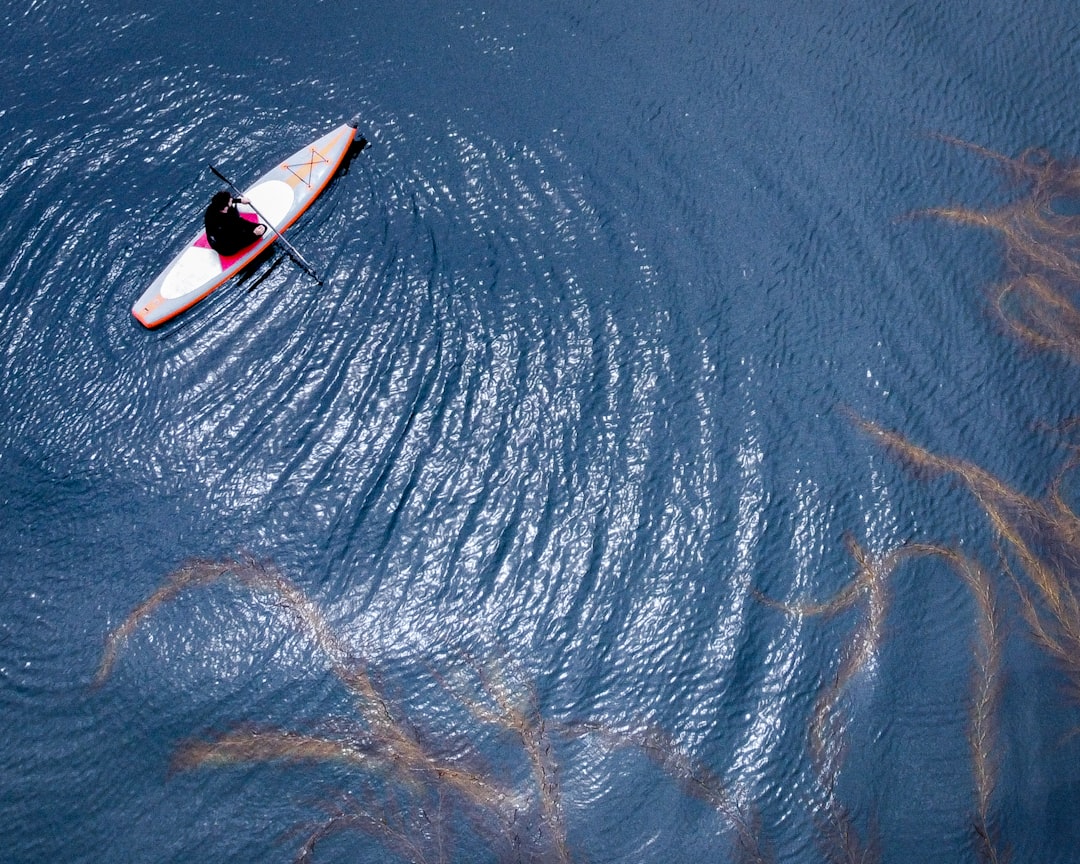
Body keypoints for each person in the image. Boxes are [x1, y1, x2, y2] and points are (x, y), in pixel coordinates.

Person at [203, 190, 267, 255]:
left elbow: (226, 202)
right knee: (261, 229)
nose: (232, 199)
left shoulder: (214, 207)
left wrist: (239, 200)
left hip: (230, 229)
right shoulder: (222, 224)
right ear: (225, 208)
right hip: (226, 246)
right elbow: (236, 240)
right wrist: (253, 234)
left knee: (260, 227)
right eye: (230, 201)